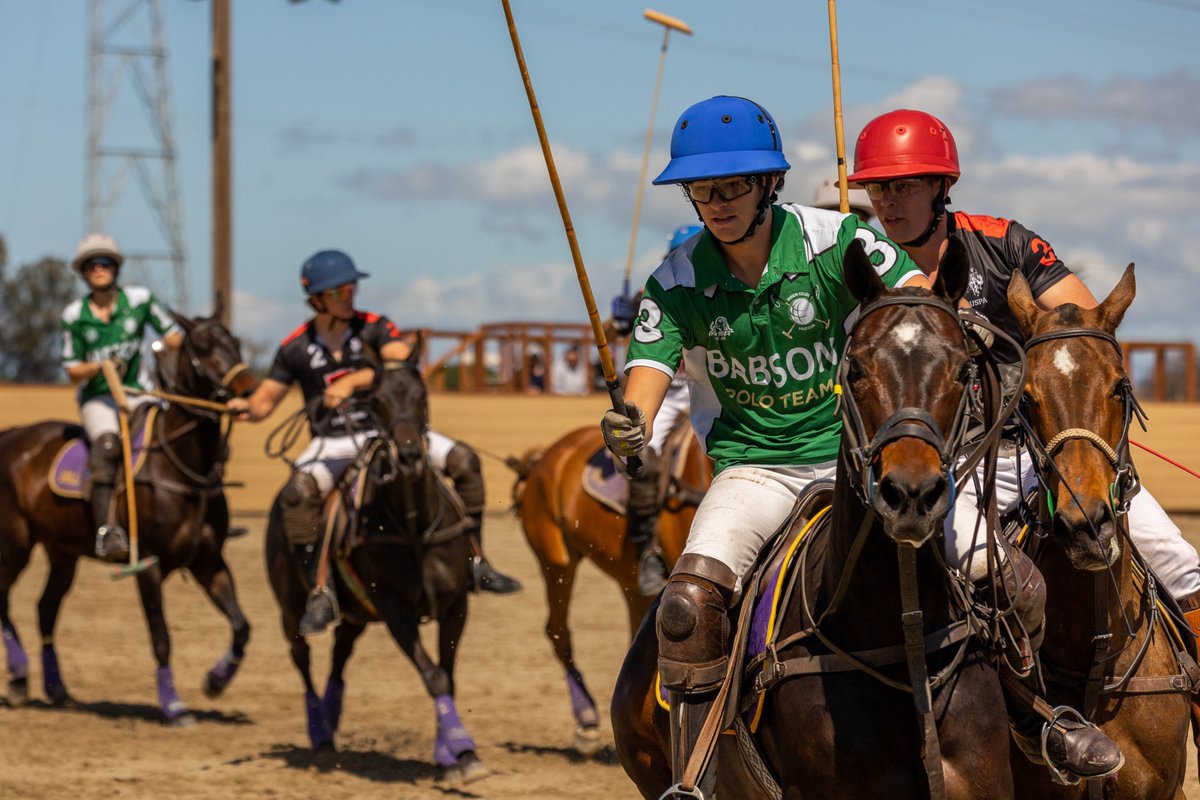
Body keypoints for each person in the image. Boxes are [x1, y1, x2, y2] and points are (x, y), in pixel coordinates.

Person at [600, 95, 933, 796]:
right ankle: (693, 776)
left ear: (769, 184)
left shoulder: (838, 240)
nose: (716, 202)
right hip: (755, 471)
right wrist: (628, 420)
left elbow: (919, 303)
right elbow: (649, 375)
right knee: (688, 604)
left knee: (996, 571)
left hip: (860, 461)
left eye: (732, 186)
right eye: (701, 189)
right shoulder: (678, 278)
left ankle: (1040, 722)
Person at [847, 108, 1177, 779]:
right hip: (941, 463)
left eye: (905, 185)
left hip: (1035, 449)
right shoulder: (857, 259)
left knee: (1177, 558)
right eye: (879, 189)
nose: (888, 201)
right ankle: (1014, 717)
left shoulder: (1003, 244)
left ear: (942, 185)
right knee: (977, 585)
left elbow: (1080, 329)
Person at [228, 250, 520, 635]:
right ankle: (321, 590)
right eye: (341, 291)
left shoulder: (376, 327)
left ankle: (477, 563)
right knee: (297, 495)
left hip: (389, 433)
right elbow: (265, 402)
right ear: (317, 299)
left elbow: (399, 361)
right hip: (332, 443)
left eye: (353, 288)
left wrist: (353, 380)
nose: (351, 295)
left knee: (466, 461)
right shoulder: (295, 348)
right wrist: (243, 407)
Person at [60, 233, 181, 563]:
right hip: (98, 398)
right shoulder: (74, 315)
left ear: (116, 268)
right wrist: (98, 367)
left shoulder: (140, 300)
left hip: (140, 392)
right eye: (93, 265)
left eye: (106, 263)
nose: (100, 269)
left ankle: (200, 516)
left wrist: (161, 349)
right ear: (84, 272)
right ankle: (106, 531)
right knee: (110, 444)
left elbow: (172, 335)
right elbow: (72, 369)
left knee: (176, 436)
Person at [611, 224, 702, 596]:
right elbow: (636, 334)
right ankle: (650, 549)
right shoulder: (661, 289)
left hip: (708, 389)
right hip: (666, 391)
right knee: (644, 457)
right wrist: (623, 320)